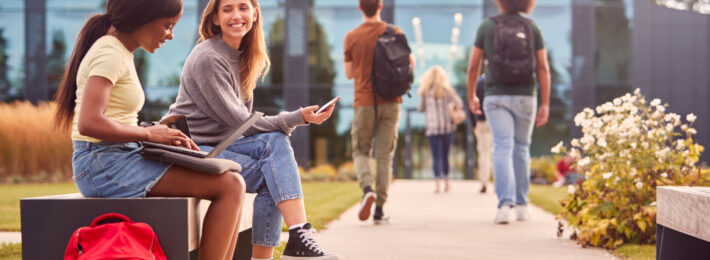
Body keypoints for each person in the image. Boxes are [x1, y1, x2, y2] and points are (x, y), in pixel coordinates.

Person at [53, 1, 246, 259]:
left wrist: (157, 132)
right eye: (168, 26)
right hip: (103, 163)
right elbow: (89, 123)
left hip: (116, 156)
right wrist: (147, 134)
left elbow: (112, 117)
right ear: (142, 17)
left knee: (232, 180)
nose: (170, 35)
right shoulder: (109, 52)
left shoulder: (118, 50)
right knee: (230, 185)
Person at [163, 0, 339, 259]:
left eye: (243, 7)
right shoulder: (208, 57)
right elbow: (240, 122)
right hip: (194, 150)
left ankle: (292, 240)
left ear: (255, 13)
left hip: (221, 145)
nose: (237, 15)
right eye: (227, 9)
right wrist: (297, 118)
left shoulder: (245, 56)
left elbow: (243, 126)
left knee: (275, 159)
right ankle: (300, 236)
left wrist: (290, 122)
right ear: (215, 19)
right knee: (274, 151)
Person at [467, 0, 551, 224]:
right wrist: (545, 103)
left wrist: (471, 96)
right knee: (522, 148)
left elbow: (473, 65)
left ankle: (505, 205)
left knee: (502, 147)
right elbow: (542, 66)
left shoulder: (487, 26)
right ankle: (522, 206)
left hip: (496, 96)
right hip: (526, 95)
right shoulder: (532, 27)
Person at [344, 0, 415, 225]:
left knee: (361, 150)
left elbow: (348, 74)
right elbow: (410, 62)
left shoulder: (352, 36)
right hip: (392, 101)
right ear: (380, 6)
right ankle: (379, 210)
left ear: (359, 8)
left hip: (364, 101)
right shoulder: (394, 31)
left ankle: (367, 189)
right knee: (384, 155)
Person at [417, 65, 463, 194]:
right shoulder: (448, 90)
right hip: (447, 127)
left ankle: (437, 183)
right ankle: (447, 182)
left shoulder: (425, 92)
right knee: (445, 155)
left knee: (436, 155)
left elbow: (420, 109)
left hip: (432, 128)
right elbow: (459, 103)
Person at [473, 71, 493, 194]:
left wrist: (473, 123)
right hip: (495, 122)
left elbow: (471, 104)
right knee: (498, 152)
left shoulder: (478, 83)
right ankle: (498, 182)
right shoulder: (498, 82)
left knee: (484, 153)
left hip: (481, 122)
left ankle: (484, 182)